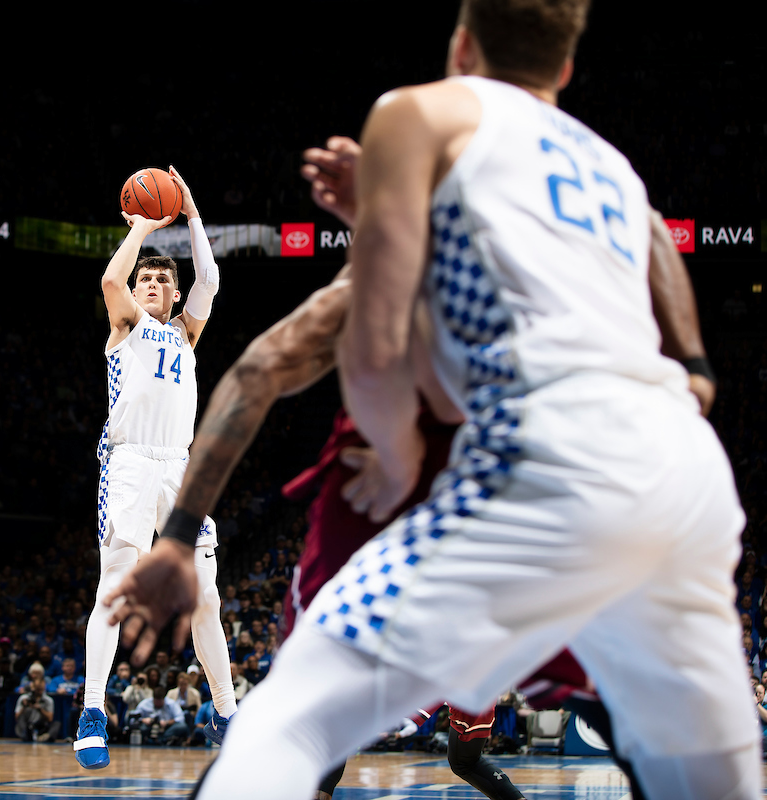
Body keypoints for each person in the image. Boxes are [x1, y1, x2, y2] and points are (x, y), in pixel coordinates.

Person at [108, 2, 759, 798]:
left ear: (461, 45)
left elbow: (310, 356)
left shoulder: (423, 113)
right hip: (687, 476)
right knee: (712, 780)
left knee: (288, 728)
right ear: (564, 69)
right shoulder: (609, 166)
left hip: (546, 465)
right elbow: (656, 235)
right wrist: (695, 364)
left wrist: (393, 448)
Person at [78, 166, 235, 770]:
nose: (150, 283)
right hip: (131, 465)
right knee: (114, 588)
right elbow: (111, 276)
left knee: (207, 600)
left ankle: (224, 712)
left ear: (173, 295)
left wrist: (191, 215)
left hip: (180, 470)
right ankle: (93, 711)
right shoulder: (126, 327)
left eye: (161, 280)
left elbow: (212, 279)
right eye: (147, 278)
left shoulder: (186, 335)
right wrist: (142, 229)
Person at [14, 676, 59, 742]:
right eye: (38, 689)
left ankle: (45, 737)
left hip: (41, 726)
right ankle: (26, 735)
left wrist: (40, 709)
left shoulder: (48, 700)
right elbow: (17, 717)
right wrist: (24, 706)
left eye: (41, 689)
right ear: (33, 688)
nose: (40, 691)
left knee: (56, 724)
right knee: (21, 719)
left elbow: (50, 718)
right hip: (27, 726)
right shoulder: (24, 698)